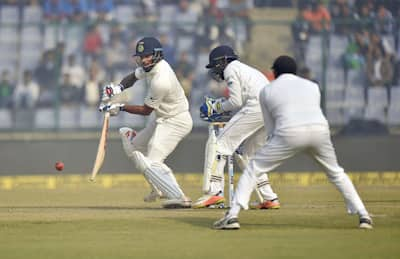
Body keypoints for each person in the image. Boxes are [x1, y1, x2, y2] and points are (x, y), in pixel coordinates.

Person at [213, 55, 373, 230]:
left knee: (252, 169)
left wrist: (271, 148)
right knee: (336, 173)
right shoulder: (312, 86)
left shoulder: (267, 90)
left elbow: (270, 127)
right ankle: (364, 215)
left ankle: (233, 216)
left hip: (288, 132)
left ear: (274, 72)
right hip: (319, 131)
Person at [100, 37, 193, 209]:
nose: (144, 60)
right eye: (141, 57)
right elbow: (133, 77)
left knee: (153, 160)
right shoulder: (149, 67)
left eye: (147, 56)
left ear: (157, 55)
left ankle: (179, 197)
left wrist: (119, 107)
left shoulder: (161, 79)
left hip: (176, 121)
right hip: (161, 119)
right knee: (133, 146)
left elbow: (145, 111)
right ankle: (157, 188)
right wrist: (116, 88)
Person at [193, 45, 280, 209]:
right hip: (269, 112)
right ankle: (269, 197)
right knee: (248, 155)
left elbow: (235, 102)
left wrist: (216, 107)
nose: (215, 71)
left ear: (223, 61)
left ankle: (215, 193)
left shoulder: (231, 69)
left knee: (220, 145)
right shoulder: (246, 69)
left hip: (256, 108)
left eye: (215, 66)